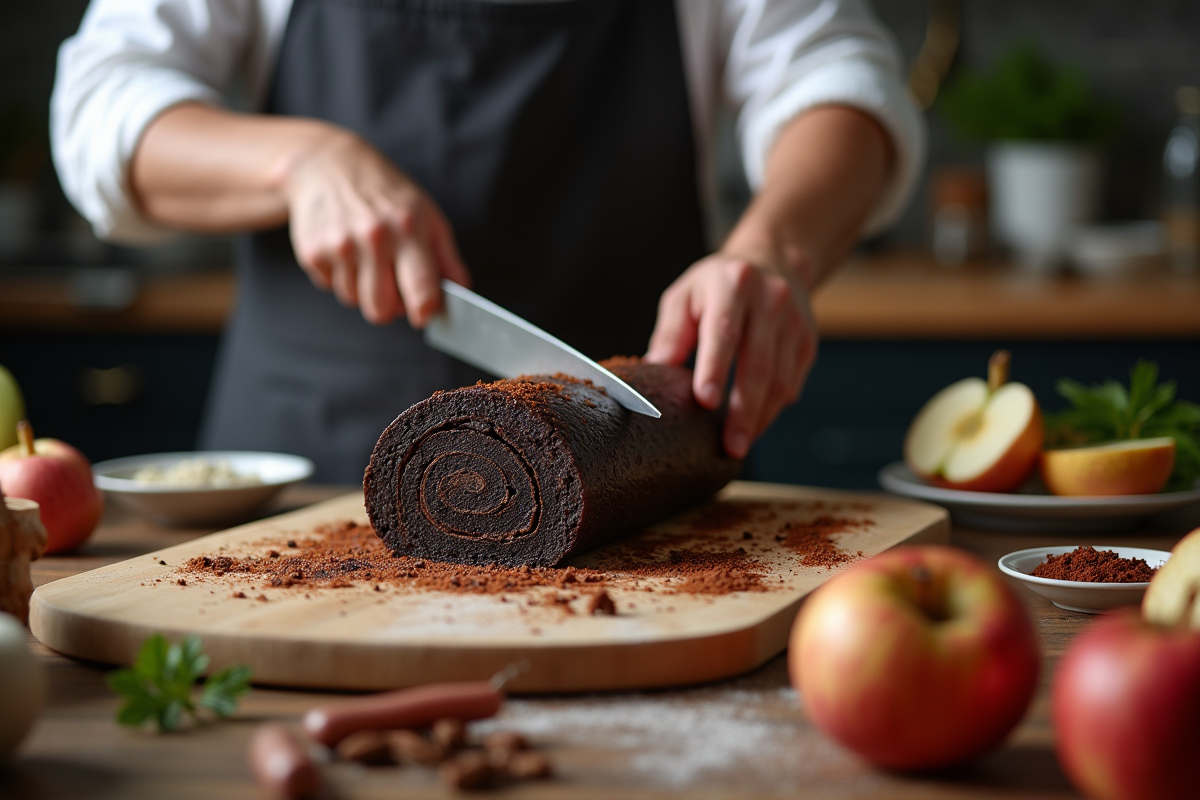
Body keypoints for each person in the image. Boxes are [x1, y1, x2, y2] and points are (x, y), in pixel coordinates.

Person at [52, 0, 924, 483]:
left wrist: (776, 249)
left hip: (632, 483)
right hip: (304, 479)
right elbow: (102, 104)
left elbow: (837, 74)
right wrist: (299, 162)